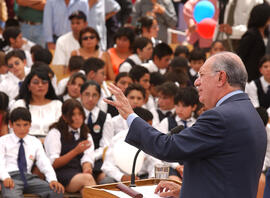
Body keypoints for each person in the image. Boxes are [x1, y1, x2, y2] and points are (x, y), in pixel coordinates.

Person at [104, 51, 267, 198]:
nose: (196, 83)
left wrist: (130, 115)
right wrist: (186, 191)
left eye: (201, 75)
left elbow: (168, 148)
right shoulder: (251, 113)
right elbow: (226, 173)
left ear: (221, 77)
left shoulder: (220, 117)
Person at [0, 107, 64, 197]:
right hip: (10, 177)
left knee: (57, 191)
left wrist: (52, 179)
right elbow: (0, 163)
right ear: (11, 124)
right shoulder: (3, 141)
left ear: (30, 124)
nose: (22, 129)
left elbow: (44, 162)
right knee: (12, 196)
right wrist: (5, 177)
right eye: (18, 125)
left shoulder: (35, 141)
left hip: (29, 178)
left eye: (25, 125)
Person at [44, 99, 96, 193]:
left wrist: (87, 168)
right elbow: (54, 163)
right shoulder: (55, 133)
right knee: (87, 179)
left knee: (86, 189)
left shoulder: (86, 134)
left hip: (78, 173)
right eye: (73, 114)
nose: (77, 118)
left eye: (80, 114)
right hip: (60, 174)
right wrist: (76, 151)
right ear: (64, 117)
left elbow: (87, 157)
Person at [11, 67, 62, 137]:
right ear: (29, 86)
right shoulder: (19, 104)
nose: (40, 85)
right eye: (36, 82)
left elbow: (62, 130)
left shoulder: (57, 104)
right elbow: (13, 131)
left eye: (44, 82)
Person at [80, 81, 113, 183]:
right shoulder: (74, 115)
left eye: (94, 95)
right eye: (87, 94)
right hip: (77, 156)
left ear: (99, 97)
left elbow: (106, 145)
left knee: (105, 180)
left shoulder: (105, 117)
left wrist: (90, 157)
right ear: (80, 95)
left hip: (97, 158)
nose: (90, 99)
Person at [237, 3, 270, 82]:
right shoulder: (251, 35)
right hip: (250, 79)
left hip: (263, 78)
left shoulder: (266, 33)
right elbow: (240, 58)